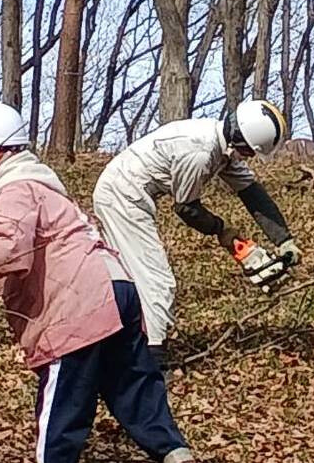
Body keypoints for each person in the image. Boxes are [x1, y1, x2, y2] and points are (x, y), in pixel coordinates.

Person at [0, 103, 219, 463]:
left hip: (78, 307)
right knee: (140, 401)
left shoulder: (15, 189)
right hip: (118, 293)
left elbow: (9, 251)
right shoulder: (46, 188)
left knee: (60, 410)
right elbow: (11, 270)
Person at [92, 100, 302, 367]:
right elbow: (186, 209)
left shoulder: (223, 148)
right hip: (121, 196)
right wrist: (223, 231)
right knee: (157, 281)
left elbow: (252, 193)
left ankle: (120, 347)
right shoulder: (200, 152)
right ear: (241, 142)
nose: (249, 158)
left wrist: (284, 240)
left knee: (131, 278)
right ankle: (154, 362)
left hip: (129, 193)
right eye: (249, 152)